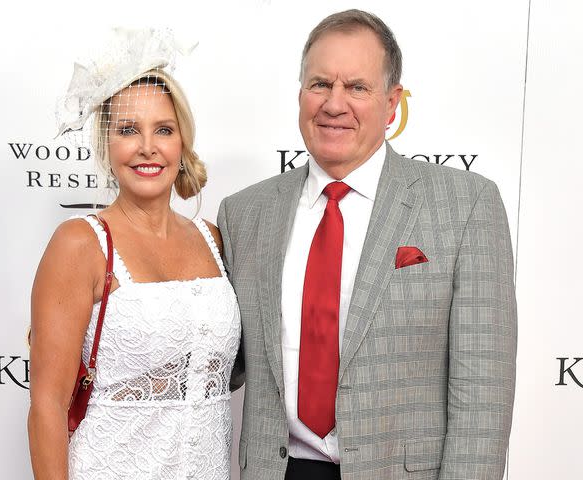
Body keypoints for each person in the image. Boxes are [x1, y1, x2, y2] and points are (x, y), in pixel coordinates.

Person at [219, 9, 516, 480]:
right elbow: (222, 360)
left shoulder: (466, 205)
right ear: (300, 94)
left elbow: (482, 394)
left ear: (392, 102)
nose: (334, 104)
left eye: (357, 87)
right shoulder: (245, 214)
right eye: (320, 84)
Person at [28, 29, 240, 480]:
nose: (148, 147)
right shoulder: (81, 243)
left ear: (181, 142)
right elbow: (47, 406)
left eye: (163, 129)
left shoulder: (215, 241)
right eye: (128, 130)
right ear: (107, 144)